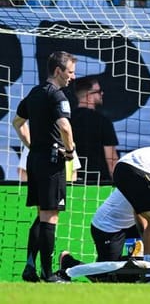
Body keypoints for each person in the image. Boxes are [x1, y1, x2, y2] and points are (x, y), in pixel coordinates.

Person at [58, 147, 150, 282]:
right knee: (106, 278)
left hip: (127, 224)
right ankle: (69, 264)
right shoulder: (143, 181)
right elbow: (140, 213)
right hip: (108, 227)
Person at [12, 51, 77, 283]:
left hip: (35, 159)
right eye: (70, 72)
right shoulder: (57, 96)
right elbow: (65, 128)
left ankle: (30, 268)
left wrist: (32, 144)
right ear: (58, 71)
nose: (73, 77)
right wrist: (69, 152)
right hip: (52, 162)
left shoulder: (35, 92)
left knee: (41, 215)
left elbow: (17, 122)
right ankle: (48, 274)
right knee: (50, 217)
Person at [71, 76, 119, 183]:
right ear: (89, 96)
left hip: (71, 183)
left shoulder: (66, 120)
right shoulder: (103, 121)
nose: (102, 94)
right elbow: (111, 160)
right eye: (99, 91)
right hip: (99, 183)